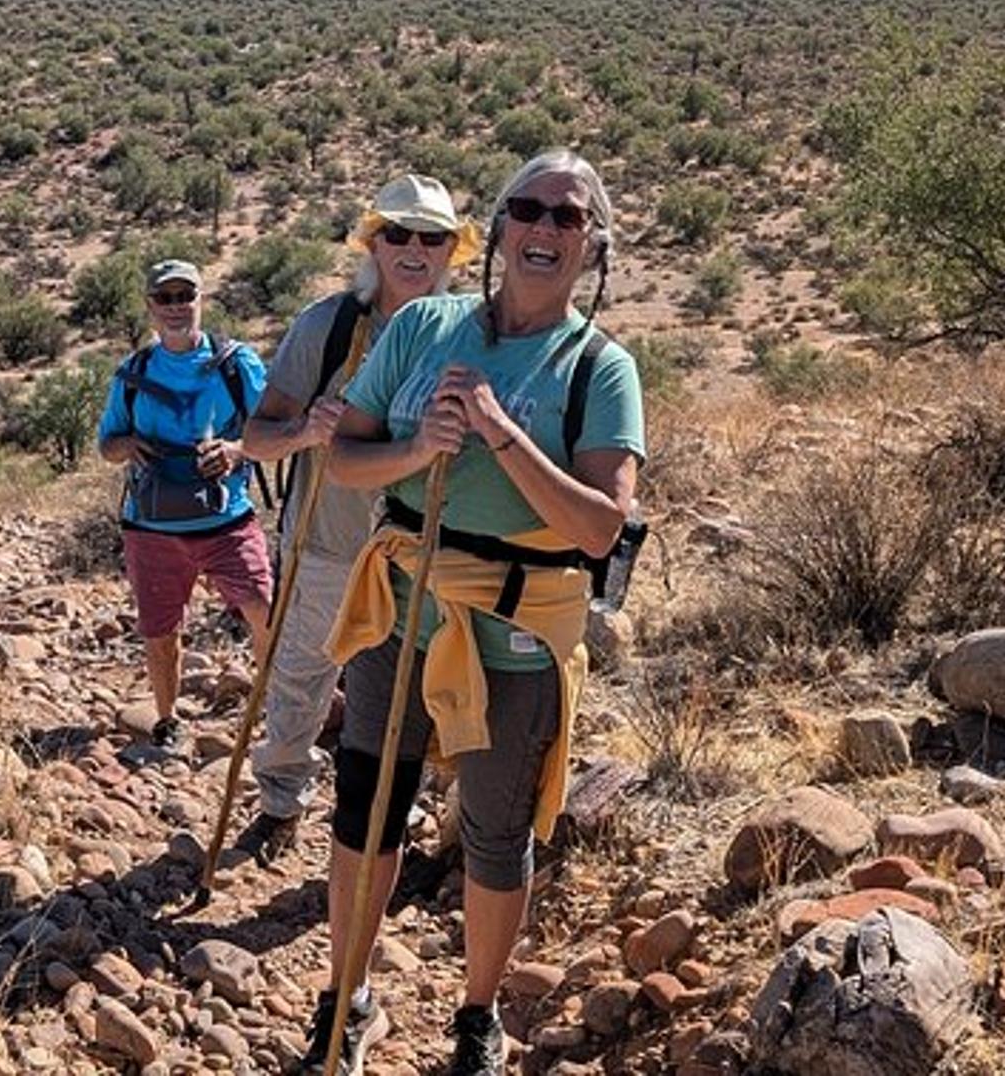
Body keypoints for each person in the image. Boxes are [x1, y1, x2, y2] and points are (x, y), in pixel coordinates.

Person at [299, 149, 645, 1076]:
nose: (543, 228)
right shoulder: (423, 328)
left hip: (517, 633)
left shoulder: (599, 369)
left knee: (495, 834)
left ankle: (477, 1018)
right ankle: (348, 996)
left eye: (566, 217)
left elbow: (599, 524)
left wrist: (500, 432)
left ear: (591, 246)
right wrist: (419, 449)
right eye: (526, 209)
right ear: (495, 233)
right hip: (399, 616)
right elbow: (348, 460)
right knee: (366, 805)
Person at [237, 175, 477, 868]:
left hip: (427, 554)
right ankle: (280, 803)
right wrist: (307, 430)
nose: (413, 248)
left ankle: (421, 830)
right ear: (373, 243)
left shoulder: (470, 335)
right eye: (397, 233)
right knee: (300, 680)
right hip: (330, 544)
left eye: (431, 236)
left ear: (451, 251)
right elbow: (257, 437)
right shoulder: (329, 327)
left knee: (438, 691)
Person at [97, 259, 273, 754]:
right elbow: (106, 446)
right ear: (150, 307)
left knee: (263, 610)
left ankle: (276, 709)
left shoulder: (239, 365)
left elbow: (272, 433)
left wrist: (236, 451)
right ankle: (168, 721)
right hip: (150, 527)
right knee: (160, 630)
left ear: (201, 298)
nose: (176, 307)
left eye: (185, 296)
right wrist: (130, 443)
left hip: (227, 519)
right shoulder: (132, 375)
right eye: (165, 298)